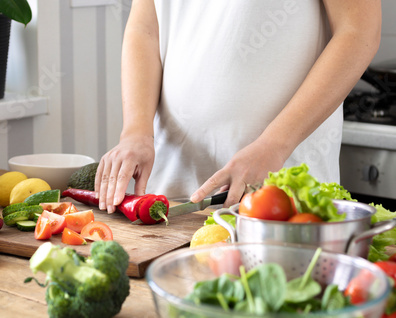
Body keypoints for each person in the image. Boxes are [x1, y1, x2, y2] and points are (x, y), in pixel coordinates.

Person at [94, 0, 381, 213]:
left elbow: (358, 31)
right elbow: (146, 28)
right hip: (172, 199)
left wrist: (273, 146)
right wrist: (136, 131)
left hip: (279, 200)